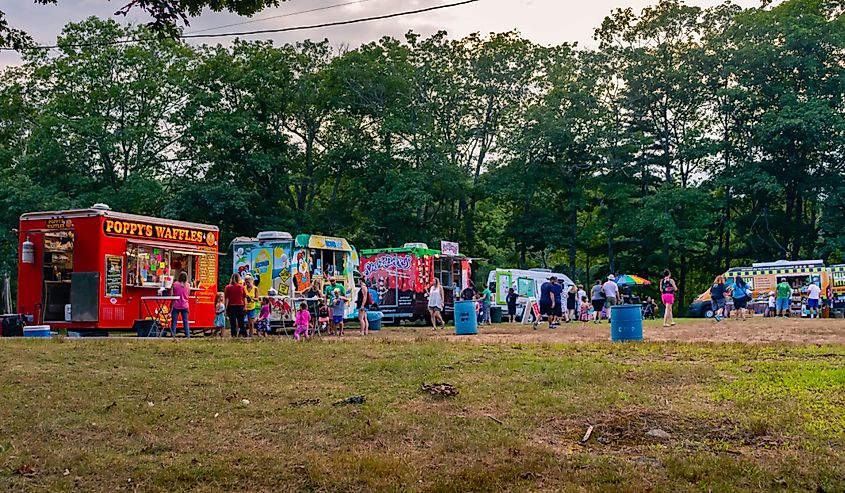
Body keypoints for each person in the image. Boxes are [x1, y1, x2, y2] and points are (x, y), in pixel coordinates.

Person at [170, 271, 191, 338]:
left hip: (176, 305)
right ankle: (187, 335)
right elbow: (188, 294)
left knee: (174, 321)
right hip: (185, 305)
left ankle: (173, 334)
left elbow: (171, 294)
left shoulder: (175, 284)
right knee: (185, 321)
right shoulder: (188, 285)